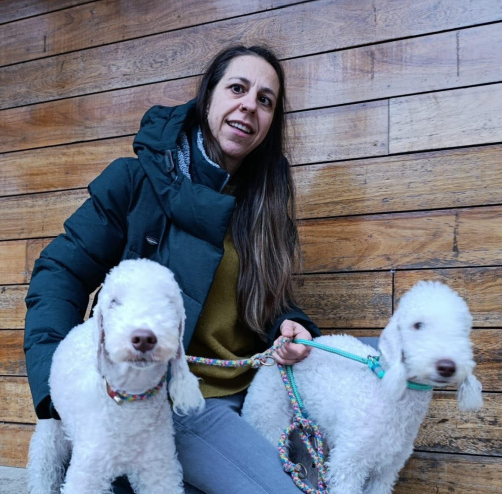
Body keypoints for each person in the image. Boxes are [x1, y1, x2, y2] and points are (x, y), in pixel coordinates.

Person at [24, 45, 320, 493]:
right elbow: (59, 273)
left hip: (257, 388)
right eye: (237, 88)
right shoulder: (134, 182)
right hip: (182, 397)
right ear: (207, 99)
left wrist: (289, 324)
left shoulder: (264, 205)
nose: (249, 106)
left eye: (265, 100)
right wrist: (59, 388)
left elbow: (266, 301)